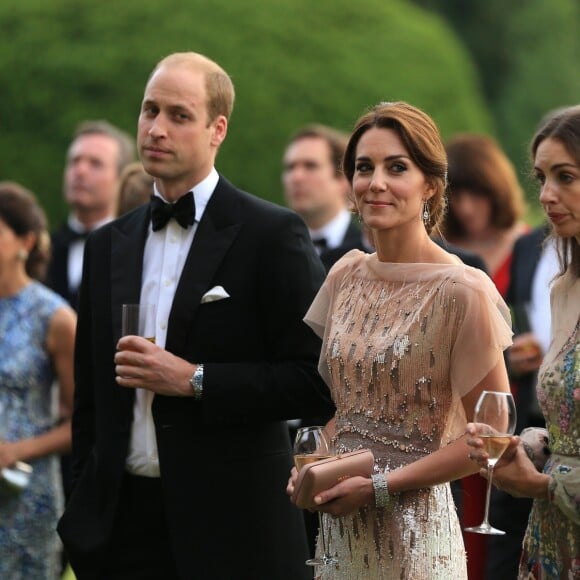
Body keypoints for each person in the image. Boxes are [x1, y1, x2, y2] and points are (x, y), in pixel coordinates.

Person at [57, 51, 332, 580]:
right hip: (119, 531)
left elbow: (315, 382)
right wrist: (85, 505)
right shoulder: (107, 244)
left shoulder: (271, 235)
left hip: (233, 530)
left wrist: (195, 380)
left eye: (179, 115)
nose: (157, 129)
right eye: (149, 111)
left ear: (217, 129)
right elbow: (90, 401)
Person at [287, 101, 513, 578]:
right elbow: (349, 411)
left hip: (417, 534)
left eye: (397, 167)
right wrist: (312, 465)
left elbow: (490, 437)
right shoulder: (345, 274)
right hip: (341, 535)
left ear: (430, 184)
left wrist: (381, 486)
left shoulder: (461, 290)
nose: (377, 183)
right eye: (364, 168)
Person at [467, 104, 580, 580]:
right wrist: (527, 447)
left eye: (566, 177)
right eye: (541, 179)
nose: (548, 195)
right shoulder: (564, 287)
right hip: (553, 540)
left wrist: (541, 483)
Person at [442, 133, 530, 578]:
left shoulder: (531, 247)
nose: (467, 208)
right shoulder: (448, 257)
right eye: (456, 197)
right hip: (463, 409)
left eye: (476, 193)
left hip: (520, 406)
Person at [0, 182, 76, 579]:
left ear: (25, 241)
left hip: (26, 495)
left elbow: (84, 420)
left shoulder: (55, 316)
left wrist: (16, 450)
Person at [46, 120, 135, 309]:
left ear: (121, 178)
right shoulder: (43, 249)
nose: (80, 171)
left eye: (95, 163)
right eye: (74, 161)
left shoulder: (136, 252)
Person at [282, 124, 361, 269]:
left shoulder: (370, 251)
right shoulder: (275, 247)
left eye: (310, 166)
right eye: (290, 167)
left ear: (343, 178)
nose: (296, 177)